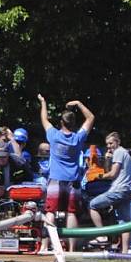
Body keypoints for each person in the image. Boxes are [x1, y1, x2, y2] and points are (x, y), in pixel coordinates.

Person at [37, 94, 94, 252]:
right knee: (71, 214)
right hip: (73, 181)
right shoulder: (78, 138)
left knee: (50, 212)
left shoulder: (53, 135)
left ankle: (44, 245)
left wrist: (43, 102)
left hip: (55, 180)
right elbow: (90, 118)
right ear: (74, 124)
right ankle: (70, 250)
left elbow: (44, 119)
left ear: (61, 123)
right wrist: (78, 102)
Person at [87, 132, 131, 253]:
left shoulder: (118, 152)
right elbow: (112, 170)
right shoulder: (125, 153)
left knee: (92, 205)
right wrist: (108, 159)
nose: (109, 146)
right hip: (127, 190)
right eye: (107, 144)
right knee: (124, 221)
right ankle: (124, 251)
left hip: (118, 190)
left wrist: (98, 176)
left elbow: (112, 174)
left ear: (118, 142)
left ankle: (102, 236)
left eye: (111, 143)